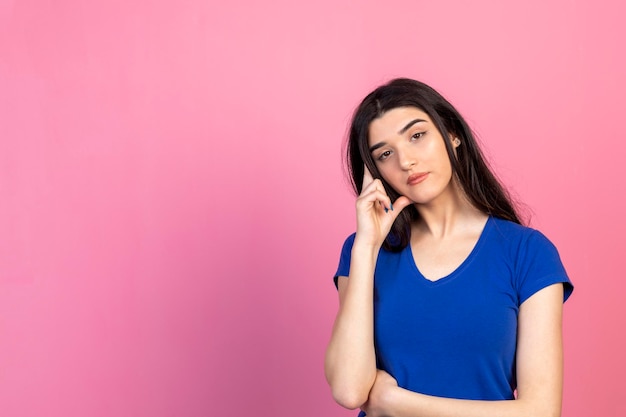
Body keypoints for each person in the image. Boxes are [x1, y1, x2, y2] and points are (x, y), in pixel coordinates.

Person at [324, 78, 573, 417]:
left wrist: (394, 403)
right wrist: (366, 247)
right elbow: (349, 389)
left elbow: (541, 412)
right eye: (385, 154)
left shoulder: (527, 253)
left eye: (417, 136)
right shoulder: (363, 252)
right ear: (375, 172)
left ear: (452, 134)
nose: (406, 161)